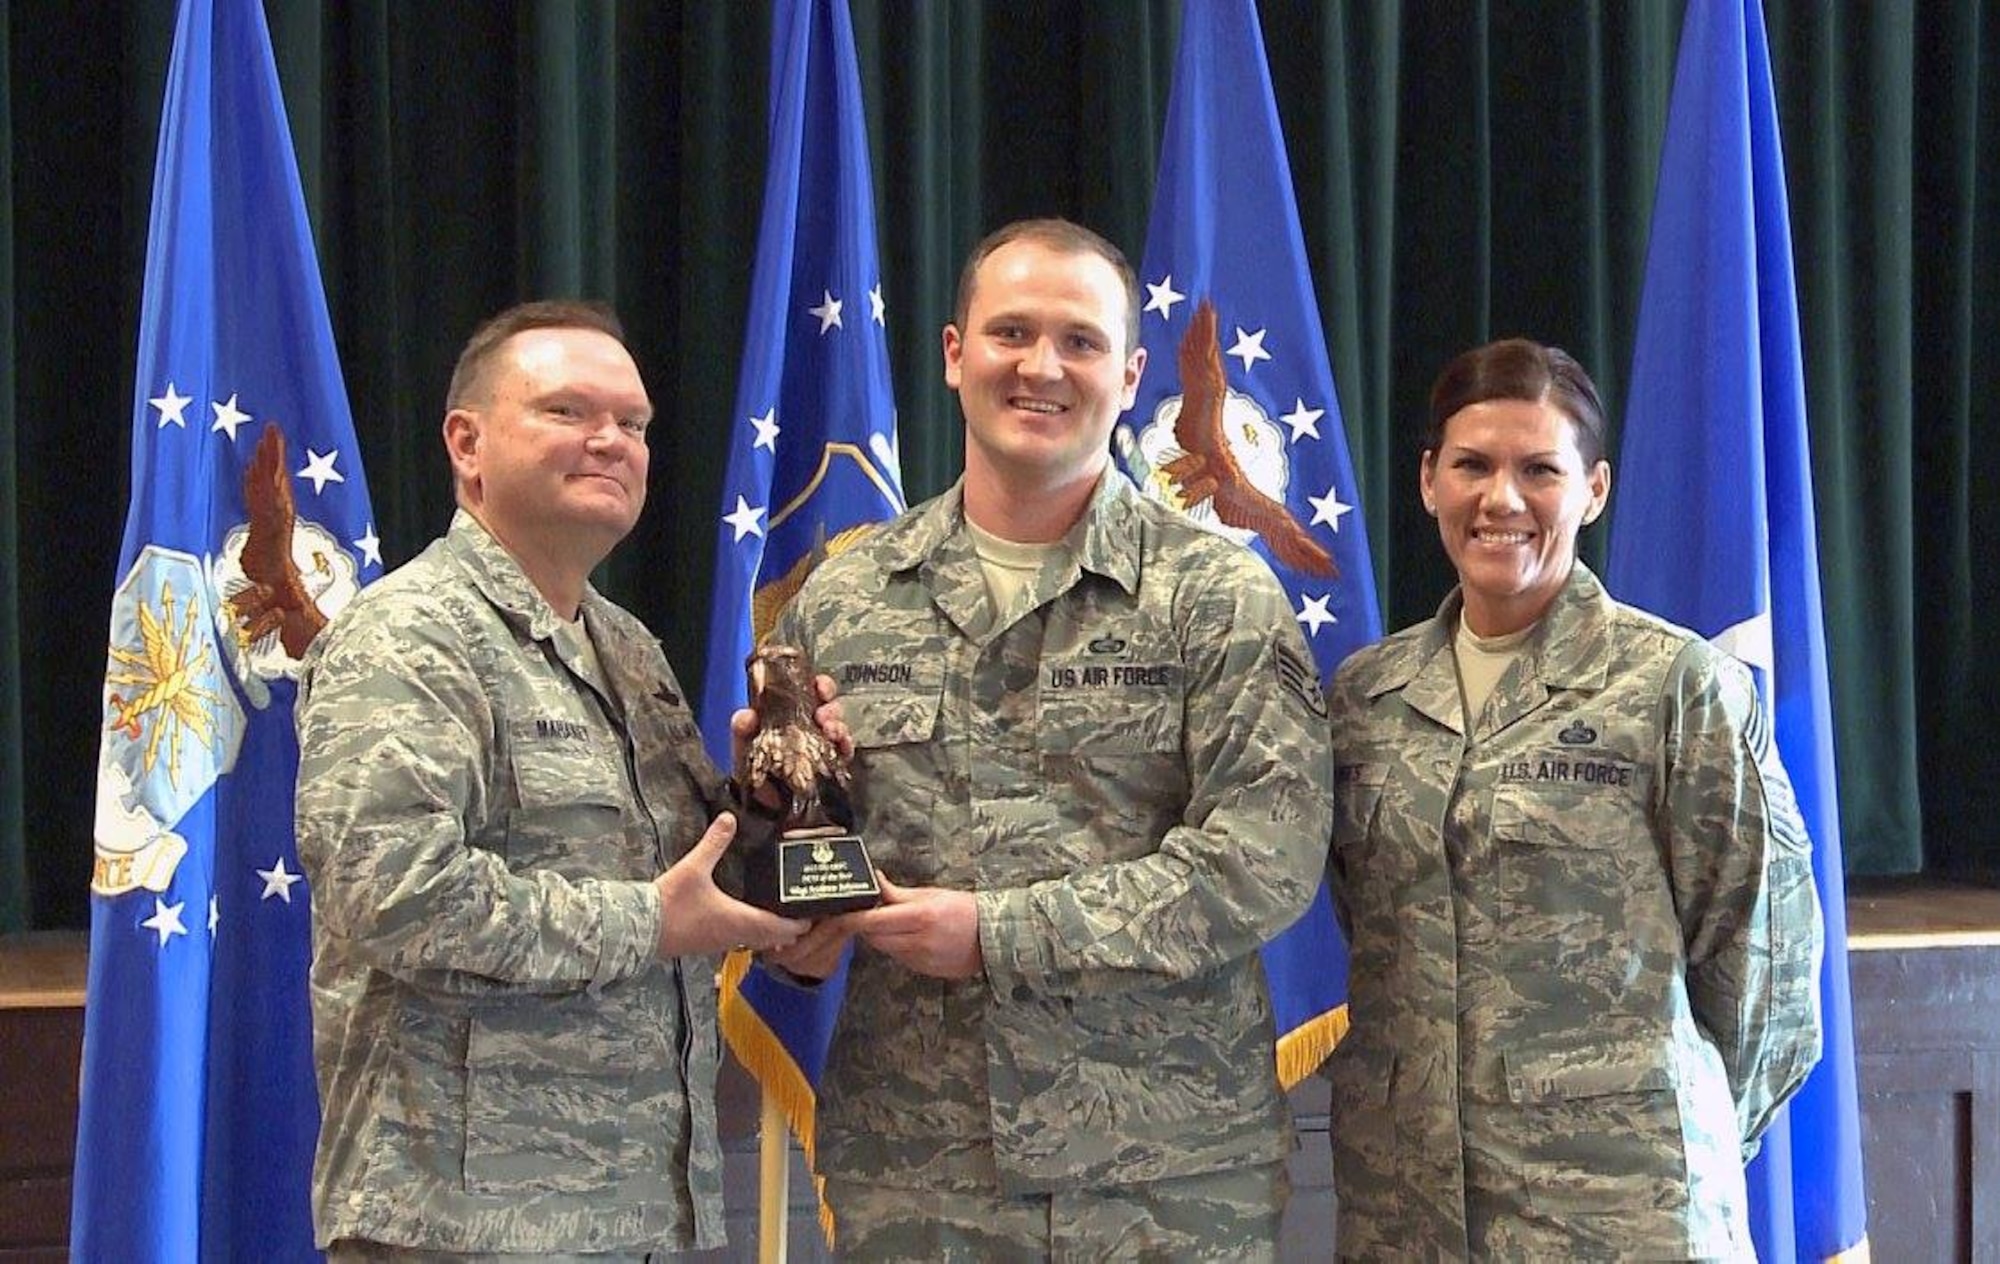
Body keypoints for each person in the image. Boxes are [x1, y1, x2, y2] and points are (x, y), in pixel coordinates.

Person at [762, 218, 1333, 1260]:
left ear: (1129, 375)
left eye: (1077, 340)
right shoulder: (842, 598)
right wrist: (786, 920)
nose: (1040, 366)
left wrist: (998, 932)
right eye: (1010, 332)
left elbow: (1264, 858)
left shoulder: (1212, 594)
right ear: (952, 354)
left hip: (1164, 1173)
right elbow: (806, 846)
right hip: (914, 1165)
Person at [294, 300, 827, 1260]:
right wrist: (649, 923)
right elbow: (397, 894)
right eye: (568, 412)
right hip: (467, 1223)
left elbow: (700, 878)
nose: (610, 442)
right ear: (469, 443)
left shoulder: (624, 646)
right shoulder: (408, 638)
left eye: (632, 424)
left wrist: (782, 801)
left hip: (643, 1210)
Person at [1321, 337, 1824, 1261]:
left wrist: (1681, 1126)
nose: (1500, 499)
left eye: (1538, 470)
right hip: (1409, 1209)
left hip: (1622, 1209)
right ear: (1429, 480)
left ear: (1593, 489)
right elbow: (1376, 921)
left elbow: (1765, 960)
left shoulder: (1675, 686)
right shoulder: (1364, 698)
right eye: (1471, 465)